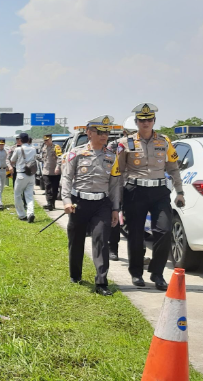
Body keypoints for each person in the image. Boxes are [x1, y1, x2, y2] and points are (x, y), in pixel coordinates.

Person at [116, 103, 185, 291]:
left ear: (154, 121)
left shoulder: (164, 141)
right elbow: (119, 171)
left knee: (163, 231)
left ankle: (157, 272)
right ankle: (136, 273)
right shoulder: (125, 143)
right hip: (134, 192)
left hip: (159, 192)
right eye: (142, 120)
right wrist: (118, 196)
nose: (146, 123)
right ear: (136, 122)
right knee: (136, 235)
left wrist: (179, 192)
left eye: (149, 119)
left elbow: (173, 168)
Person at [61, 115, 121, 297]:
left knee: (101, 240)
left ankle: (102, 282)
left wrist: (115, 209)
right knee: (76, 240)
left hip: (101, 204)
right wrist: (66, 201)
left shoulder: (112, 157)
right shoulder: (75, 153)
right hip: (79, 203)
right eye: (99, 132)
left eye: (106, 132)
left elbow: (115, 185)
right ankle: (75, 275)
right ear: (89, 133)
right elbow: (66, 178)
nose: (104, 135)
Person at [9, 133, 37, 222]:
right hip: (31, 175)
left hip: (21, 174)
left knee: (17, 194)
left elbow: (12, 160)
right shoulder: (33, 149)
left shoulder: (18, 149)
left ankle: (22, 215)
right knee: (29, 195)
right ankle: (30, 213)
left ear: (20, 140)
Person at [37, 134, 63, 211]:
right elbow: (43, 158)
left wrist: (58, 167)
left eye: (47, 140)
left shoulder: (56, 147)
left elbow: (60, 158)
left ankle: (52, 203)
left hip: (55, 171)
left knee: (54, 188)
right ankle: (49, 203)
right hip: (46, 171)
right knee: (47, 186)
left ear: (51, 139)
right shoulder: (44, 148)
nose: (46, 142)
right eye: (45, 140)